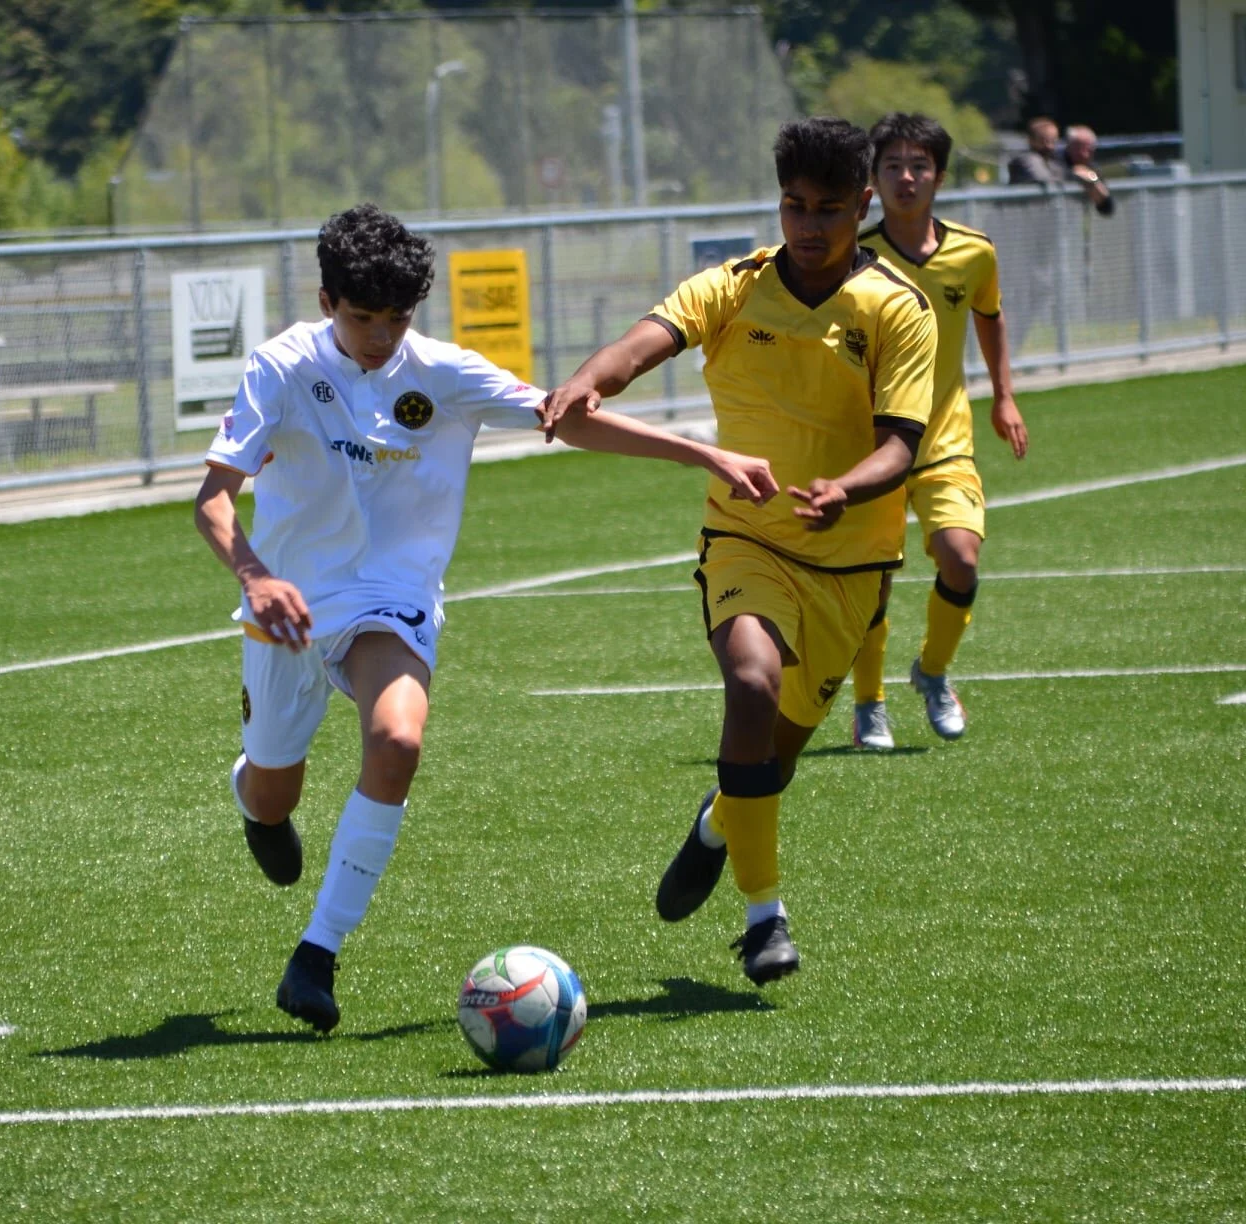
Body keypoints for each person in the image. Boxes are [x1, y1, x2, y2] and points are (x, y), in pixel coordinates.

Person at [195, 203, 779, 1032]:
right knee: (270, 790)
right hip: (285, 605)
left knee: (397, 740)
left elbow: (567, 418)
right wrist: (254, 576)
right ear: (328, 303)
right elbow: (213, 500)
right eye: (363, 317)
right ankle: (254, 797)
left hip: (389, 604)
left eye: (397, 318)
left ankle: (316, 955)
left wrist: (707, 453)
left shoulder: (440, 372)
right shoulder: (281, 367)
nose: (381, 336)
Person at [539, 118, 937, 986]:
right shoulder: (733, 286)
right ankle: (766, 920)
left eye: (830, 209)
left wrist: (844, 489)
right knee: (750, 684)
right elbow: (645, 342)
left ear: (863, 205)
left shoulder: (897, 309)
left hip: (851, 564)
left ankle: (718, 826)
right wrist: (589, 381)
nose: (808, 224)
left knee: (771, 763)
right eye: (794, 205)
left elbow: (901, 445)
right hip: (745, 536)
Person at [849, 113, 1029, 750]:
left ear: (940, 177)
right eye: (892, 165)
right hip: (870, 449)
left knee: (960, 555)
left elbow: (990, 315)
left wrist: (1003, 396)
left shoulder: (973, 252)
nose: (906, 177)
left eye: (919, 165)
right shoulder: (856, 256)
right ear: (873, 178)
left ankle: (931, 670)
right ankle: (868, 705)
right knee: (875, 580)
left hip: (945, 440)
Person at [1008, 116, 1113, 217]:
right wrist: (1075, 176)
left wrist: (1089, 178)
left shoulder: (1053, 162)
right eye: (1043, 140)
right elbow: (1045, 179)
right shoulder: (1027, 160)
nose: (1049, 146)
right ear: (1031, 140)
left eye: (1053, 140)